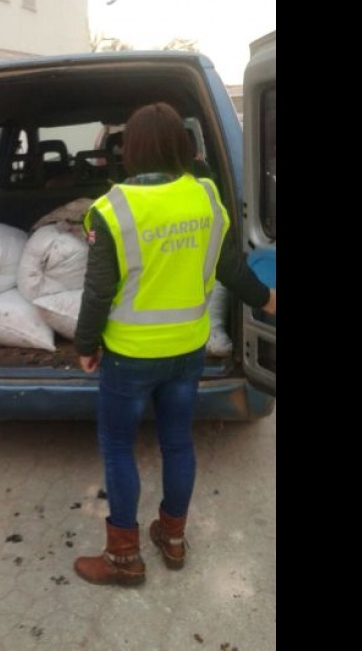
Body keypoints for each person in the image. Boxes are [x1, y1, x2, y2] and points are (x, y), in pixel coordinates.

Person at [73, 102, 276, 587]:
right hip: (188, 352)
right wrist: (267, 301)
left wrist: (85, 344)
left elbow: (98, 291)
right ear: (185, 148)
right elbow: (230, 268)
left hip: (128, 356)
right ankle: (173, 537)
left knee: (119, 447)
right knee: (177, 443)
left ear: (131, 150)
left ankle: (124, 557)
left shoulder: (111, 208)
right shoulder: (206, 196)